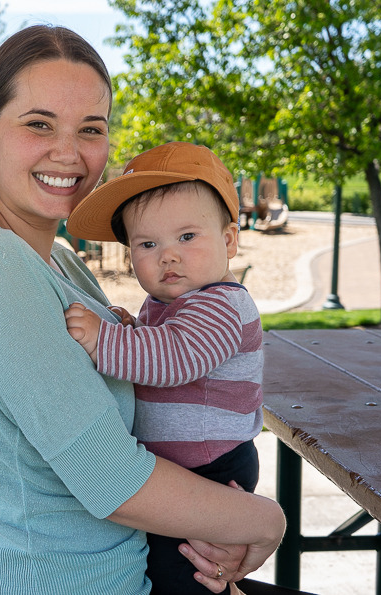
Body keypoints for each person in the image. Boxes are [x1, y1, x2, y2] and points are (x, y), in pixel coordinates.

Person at [0, 25, 285, 595]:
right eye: (39, 124)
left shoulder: (58, 262)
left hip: (142, 570)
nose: (68, 152)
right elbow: (112, 478)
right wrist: (265, 522)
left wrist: (216, 524)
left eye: (91, 129)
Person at [64, 141, 264, 594]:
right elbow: (166, 344)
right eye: (148, 243)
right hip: (186, 466)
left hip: (210, 468)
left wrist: (106, 340)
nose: (167, 255)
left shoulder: (223, 304)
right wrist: (135, 328)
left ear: (229, 240)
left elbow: (175, 358)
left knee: (187, 574)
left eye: (187, 237)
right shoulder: (174, 302)